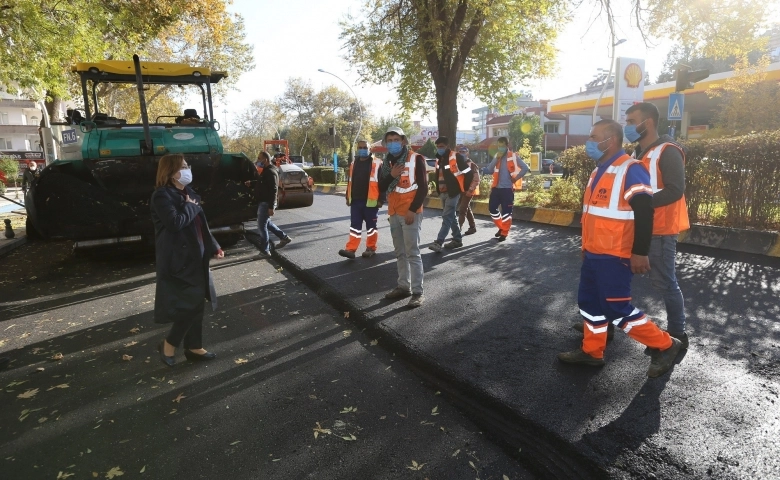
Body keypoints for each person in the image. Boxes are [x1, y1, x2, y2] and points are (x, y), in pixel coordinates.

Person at [557, 120, 683, 378]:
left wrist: (640, 251)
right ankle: (592, 352)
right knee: (589, 304)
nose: (588, 142)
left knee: (616, 307)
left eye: (593, 137)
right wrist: (586, 246)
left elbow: (645, 212)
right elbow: (593, 215)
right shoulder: (598, 171)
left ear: (610, 140)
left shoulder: (631, 169)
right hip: (594, 253)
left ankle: (666, 344)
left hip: (616, 255)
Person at [625, 102, 690, 348]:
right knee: (617, 276)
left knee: (665, 283)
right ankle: (604, 324)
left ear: (648, 122)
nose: (628, 127)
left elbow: (675, 190)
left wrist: (643, 202)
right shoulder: (636, 153)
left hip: (660, 230)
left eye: (632, 122)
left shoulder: (668, 151)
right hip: (636, 228)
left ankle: (677, 335)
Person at [151, 154, 224, 367]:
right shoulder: (162, 196)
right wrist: (191, 206)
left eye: (187, 166)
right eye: (182, 167)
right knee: (191, 304)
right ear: (171, 172)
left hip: (196, 256)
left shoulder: (190, 193)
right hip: (178, 260)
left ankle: (194, 347)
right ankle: (169, 343)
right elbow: (175, 222)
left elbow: (201, 225)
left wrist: (214, 245)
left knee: (196, 300)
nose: (187, 170)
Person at [378, 126, 427, 308]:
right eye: (389, 141)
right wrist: (391, 175)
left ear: (404, 141)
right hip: (394, 212)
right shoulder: (387, 163)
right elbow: (382, 187)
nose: (392, 144)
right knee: (400, 253)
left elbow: (423, 188)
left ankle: (417, 292)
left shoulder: (416, 159)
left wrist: (412, 210)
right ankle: (403, 286)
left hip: (410, 213)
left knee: (412, 253)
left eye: (396, 140)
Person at [339, 140, 386, 259]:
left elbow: (382, 183)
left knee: (371, 227)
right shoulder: (354, 163)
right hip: (355, 200)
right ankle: (351, 249)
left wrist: (381, 199)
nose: (362, 149)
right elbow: (350, 182)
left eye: (365, 147)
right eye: (360, 147)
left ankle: (371, 248)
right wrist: (347, 196)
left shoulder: (378, 163)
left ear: (370, 149)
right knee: (354, 226)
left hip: (370, 201)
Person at [245, 151, 292, 258]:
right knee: (267, 224)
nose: (258, 161)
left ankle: (265, 251)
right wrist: (252, 183)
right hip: (263, 202)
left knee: (261, 227)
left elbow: (273, 190)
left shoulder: (271, 172)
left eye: (259, 158)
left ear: (265, 160)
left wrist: (271, 207)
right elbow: (262, 183)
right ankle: (284, 237)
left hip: (266, 203)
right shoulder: (266, 171)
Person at [429, 137, 472, 252]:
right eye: (438, 147)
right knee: (451, 217)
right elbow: (439, 175)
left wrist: (465, 188)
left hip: (453, 192)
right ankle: (457, 240)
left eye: (442, 146)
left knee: (446, 217)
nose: (439, 149)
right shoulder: (439, 159)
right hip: (442, 192)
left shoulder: (455, 156)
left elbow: (469, 173)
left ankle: (439, 242)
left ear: (447, 146)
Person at [485, 137, 528, 242]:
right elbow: (490, 169)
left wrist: (516, 178)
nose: (500, 148)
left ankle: (504, 233)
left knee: (506, 212)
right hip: (496, 188)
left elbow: (525, 168)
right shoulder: (497, 156)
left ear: (507, 146)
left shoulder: (513, 156)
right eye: (499, 146)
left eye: (502, 146)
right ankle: (501, 227)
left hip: (507, 189)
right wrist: (496, 158)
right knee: (492, 209)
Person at [456, 145, 479, 235]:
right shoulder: (457, 164)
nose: (462, 153)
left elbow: (476, 179)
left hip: (468, 191)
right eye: (460, 152)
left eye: (464, 152)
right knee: (466, 208)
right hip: (460, 190)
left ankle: (458, 229)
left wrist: (470, 190)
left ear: (467, 153)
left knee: (462, 209)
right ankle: (472, 227)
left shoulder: (472, 165)